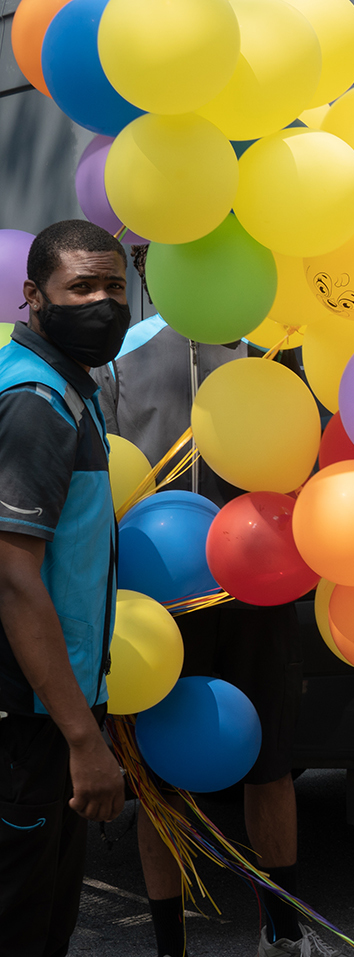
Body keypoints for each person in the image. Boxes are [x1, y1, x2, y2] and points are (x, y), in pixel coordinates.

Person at [103, 246, 314, 957]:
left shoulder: (268, 345)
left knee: (271, 764)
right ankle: (171, 945)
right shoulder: (119, 355)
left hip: (256, 590)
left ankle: (283, 932)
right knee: (160, 783)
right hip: (157, 598)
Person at [0, 220, 129, 957]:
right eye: (81, 287)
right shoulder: (38, 403)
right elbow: (15, 579)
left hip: (52, 710)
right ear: (33, 296)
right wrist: (81, 738)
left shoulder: (66, 390)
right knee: (24, 922)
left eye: (114, 287)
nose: (102, 304)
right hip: (30, 720)